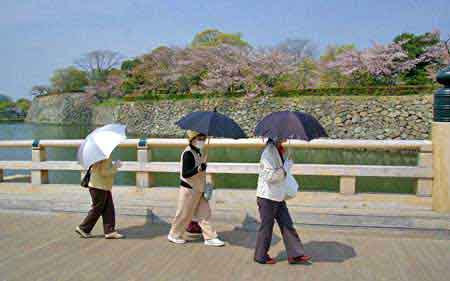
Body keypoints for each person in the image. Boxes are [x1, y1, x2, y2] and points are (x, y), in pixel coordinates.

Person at [254, 138, 311, 264]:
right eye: (284, 135)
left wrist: (286, 163)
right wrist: (285, 169)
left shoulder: (279, 150)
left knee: (287, 224)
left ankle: (296, 254)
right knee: (267, 227)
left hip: (278, 195)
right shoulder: (268, 153)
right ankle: (260, 256)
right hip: (267, 197)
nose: (286, 138)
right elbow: (269, 177)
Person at [168, 130, 225, 247]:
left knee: (205, 213)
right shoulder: (188, 153)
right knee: (184, 214)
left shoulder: (198, 152)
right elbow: (185, 174)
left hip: (199, 189)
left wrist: (202, 166)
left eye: (204, 139)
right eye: (200, 139)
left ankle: (210, 237)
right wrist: (199, 169)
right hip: (188, 190)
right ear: (192, 140)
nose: (202, 141)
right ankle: (174, 235)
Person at [76, 156, 124, 239]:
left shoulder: (97, 156)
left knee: (108, 209)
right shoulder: (103, 157)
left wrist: (112, 165)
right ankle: (83, 228)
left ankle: (110, 231)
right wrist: (116, 166)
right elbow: (104, 172)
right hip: (99, 187)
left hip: (100, 186)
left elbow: (100, 169)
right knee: (97, 209)